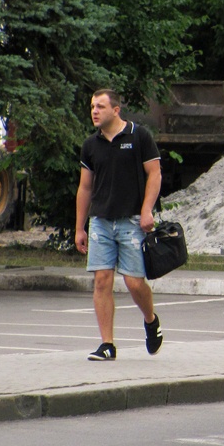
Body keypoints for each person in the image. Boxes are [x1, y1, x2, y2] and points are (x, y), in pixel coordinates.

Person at [75, 89, 163, 361]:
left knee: (134, 283)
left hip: (132, 222)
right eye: (92, 106)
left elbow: (155, 174)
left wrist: (147, 210)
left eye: (100, 106)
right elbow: (85, 187)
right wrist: (80, 227)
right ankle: (107, 344)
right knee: (102, 281)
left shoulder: (139, 136)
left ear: (116, 109)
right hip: (101, 222)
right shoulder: (91, 145)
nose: (94, 111)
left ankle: (151, 320)